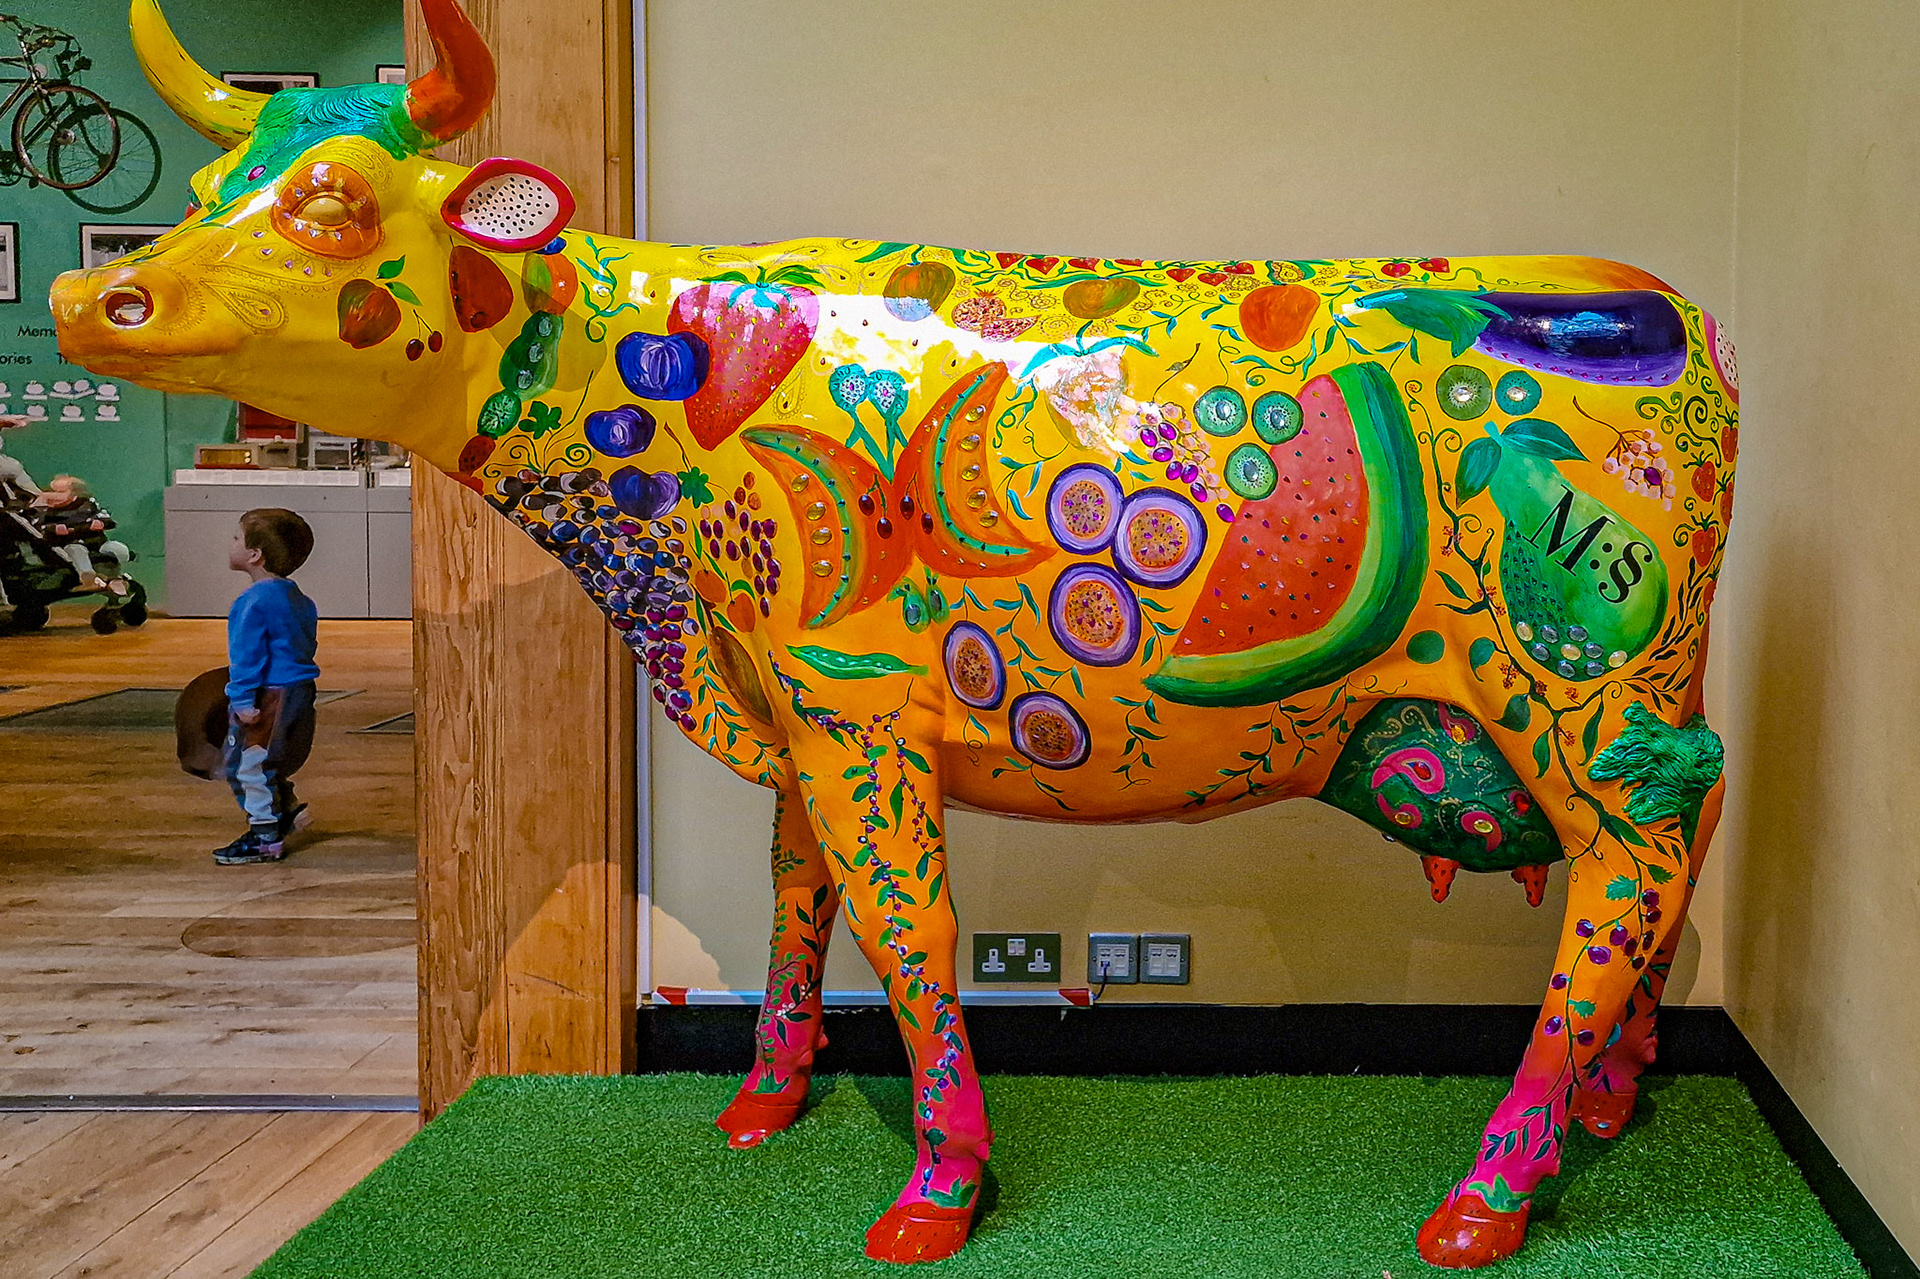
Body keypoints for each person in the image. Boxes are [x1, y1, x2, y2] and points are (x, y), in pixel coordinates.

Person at [216, 508, 320, 865]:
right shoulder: (297, 597)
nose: (230, 543)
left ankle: (264, 835)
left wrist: (242, 700)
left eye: (236, 538)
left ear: (255, 554)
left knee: (246, 765)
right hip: (299, 690)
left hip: (270, 694)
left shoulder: (253, 600)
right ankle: (285, 810)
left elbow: (246, 654)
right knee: (270, 759)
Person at [28, 474, 114, 589]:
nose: (54, 496)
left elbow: (108, 521)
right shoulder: (45, 509)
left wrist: (101, 523)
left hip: (94, 543)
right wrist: (53, 528)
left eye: (60, 492)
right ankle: (88, 579)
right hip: (67, 546)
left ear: (74, 493)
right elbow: (37, 526)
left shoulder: (87, 505)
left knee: (117, 549)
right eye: (52, 492)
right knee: (76, 548)